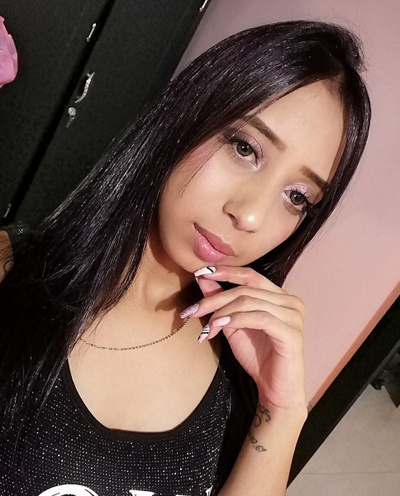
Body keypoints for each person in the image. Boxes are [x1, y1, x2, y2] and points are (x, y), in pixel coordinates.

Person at [0, 20, 370, 496]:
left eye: (297, 196)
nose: (251, 215)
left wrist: (281, 415)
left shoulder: (241, 378)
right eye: (244, 148)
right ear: (186, 118)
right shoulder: (12, 272)